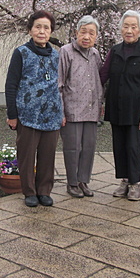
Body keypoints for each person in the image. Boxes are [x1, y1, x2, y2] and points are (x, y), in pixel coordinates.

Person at [5, 10, 63, 207]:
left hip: (52, 115)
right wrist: (12, 114)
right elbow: (11, 84)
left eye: (46, 28)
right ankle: (29, 191)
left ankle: (44, 191)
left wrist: (61, 112)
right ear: (30, 30)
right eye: (38, 27)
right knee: (27, 155)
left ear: (51, 32)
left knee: (48, 156)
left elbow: (59, 85)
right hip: (27, 115)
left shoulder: (56, 56)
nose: (42, 31)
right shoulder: (21, 53)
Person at [99, 10, 140, 201]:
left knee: (133, 146)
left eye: (133, 27)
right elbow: (102, 76)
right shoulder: (115, 51)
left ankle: (135, 183)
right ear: (121, 29)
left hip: (136, 108)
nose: (129, 30)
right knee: (119, 146)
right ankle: (124, 180)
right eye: (126, 26)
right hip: (116, 106)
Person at [58, 15, 103, 198]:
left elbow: (99, 80)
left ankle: (83, 181)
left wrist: (101, 104)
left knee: (89, 147)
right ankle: (72, 182)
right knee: (72, 147)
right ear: (76, 32)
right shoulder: (66, 51)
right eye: (83, 32)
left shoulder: (95, 54)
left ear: (96, 36)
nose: (87, 36)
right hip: (72, 109)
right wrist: (60, 112)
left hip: (92, 109)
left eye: (91, 33)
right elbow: (59, 83)